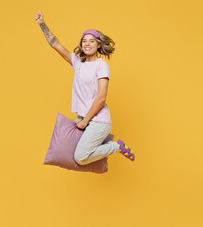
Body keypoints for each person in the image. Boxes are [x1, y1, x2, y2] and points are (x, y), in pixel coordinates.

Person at [35, 11, 135, 164]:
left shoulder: (102, 66)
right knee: (75, 155)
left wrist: (85, 120)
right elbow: (55, 44)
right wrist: (42, 23)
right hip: (84, 118)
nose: (87, 44)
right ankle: (109, 149)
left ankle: (117, 146)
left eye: (92, 41)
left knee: (80, 158)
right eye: (84, 41)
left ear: (99, 44)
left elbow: (101, 97)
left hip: (98, 121)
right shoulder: (77, 62)